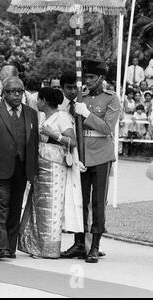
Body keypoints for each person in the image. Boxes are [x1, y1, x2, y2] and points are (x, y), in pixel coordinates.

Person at [61, 59, 120, 263]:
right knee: (80, 202)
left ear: (101, 78)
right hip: (82, 155)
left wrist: (85, 113)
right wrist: (74, 107)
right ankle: (79, 243)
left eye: (92, 77)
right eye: (86, 77)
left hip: (102, 155)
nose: (88, 81)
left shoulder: (112, 99)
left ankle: (95, 245)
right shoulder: (81, 97)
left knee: (97, 204)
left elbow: (106, 128)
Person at [0, 76, 39, 260]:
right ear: (4, 93)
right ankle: (0, 247)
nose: (16, 95)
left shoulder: (31, 113)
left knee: (15, 207)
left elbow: (33, 145)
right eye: (12, 92)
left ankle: (10, 246)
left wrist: (33, 171)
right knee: (1, 207)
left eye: (20, 91)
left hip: (22, 168)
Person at [18, 87, 83, 259]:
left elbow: (73, 141)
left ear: (44, 101)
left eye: (38, 99)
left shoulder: (62, 117)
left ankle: (50, 248)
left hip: (55, 168)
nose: (36, 102)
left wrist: (54, 134)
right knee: (40, 205)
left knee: (51, 207)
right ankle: (37, 246)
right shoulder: (43, 117)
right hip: (42, 164)